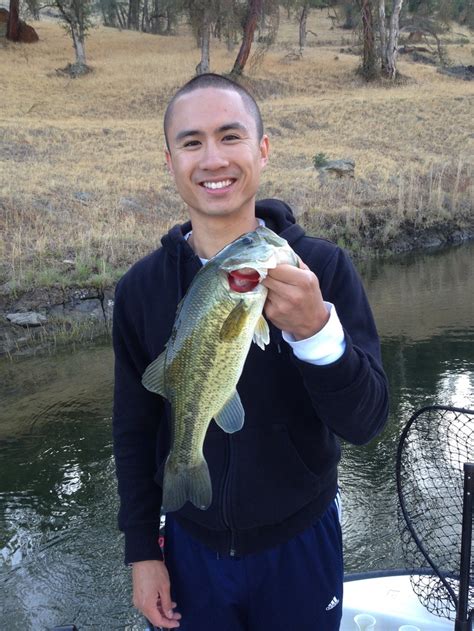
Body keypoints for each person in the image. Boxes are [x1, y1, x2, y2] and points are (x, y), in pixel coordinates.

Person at [112, 73, 389, 631]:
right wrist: (143, 551)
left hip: (300, 539)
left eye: (230, 136)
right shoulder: (141, 288)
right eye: (192, 142)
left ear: (262, 150)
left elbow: (366, 423)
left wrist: (316, 333)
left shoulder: (323, 269)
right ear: (170, 161)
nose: (212, 158)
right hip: (189, 545)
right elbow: (134, 429)